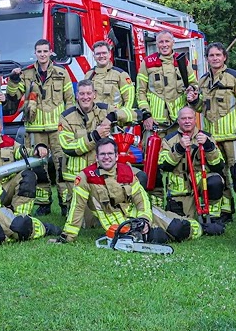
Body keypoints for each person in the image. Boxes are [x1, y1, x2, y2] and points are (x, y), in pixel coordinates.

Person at [53, 138, 194, 245]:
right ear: (96, 157)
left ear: (116, 156)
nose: (106, 157)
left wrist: (144, 219)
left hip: (141, 216)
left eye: (110, 153)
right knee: (158, 237)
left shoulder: (126, 171)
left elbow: (141, 198)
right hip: (121, 227)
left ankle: (200, 227)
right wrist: (67, 236)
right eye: (102, 154)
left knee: (180, 228)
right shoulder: (85, 177)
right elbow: (77, 208)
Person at [6, 38, 74, 214]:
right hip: (35, 129)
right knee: (38, 168)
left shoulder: (61, 72)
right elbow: (13, 95)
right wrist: (13, 80)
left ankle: (65, 204)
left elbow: (70, 101)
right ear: (35, 53)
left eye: (45, 51)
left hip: (58, 129)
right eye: (39, 51)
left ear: (50, 52)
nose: (42, 54)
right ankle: (44, 204)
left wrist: (68, 125)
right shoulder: (27, 74)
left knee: (62, 167)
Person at [194, 42, 236, 228]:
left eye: (218, 55)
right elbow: (200, 109)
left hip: (233, 137)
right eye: (211, 55)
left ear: (224, 57)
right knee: (220, 176)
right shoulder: (203, 81)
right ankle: (226, 211)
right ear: (207, 59)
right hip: (212, 139)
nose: (214, 58)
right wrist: (193, 100)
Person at [56, 82, 138, 219]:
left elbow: (136, 114)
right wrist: (95, 136)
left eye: (89, 93)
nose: (85, 97)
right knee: (87, 224)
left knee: (114, 211)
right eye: (82, 93)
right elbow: (68, 147)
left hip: (103, 175)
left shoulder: (105, 110)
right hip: (77, 178)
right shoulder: (66, 117)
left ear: (95, 95)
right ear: (77, 96)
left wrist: (112, 117)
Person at [156, 106, 225, 236]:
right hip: (180, 191)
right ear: (178, 121)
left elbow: (218, 165)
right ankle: (200, 223)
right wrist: (179, 148)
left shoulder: (207, 137)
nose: (187, 121)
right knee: (182, 222)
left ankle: (213, 218)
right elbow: (163, 165)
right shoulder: (169, 140)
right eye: (183, 118)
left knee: (216, 181)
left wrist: (209, 147)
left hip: (201, 185)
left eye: (190, 118)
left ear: (195, 120)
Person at [0, 113, 49, 216]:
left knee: (29, 176)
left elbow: (25, 152)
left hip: (7, 188)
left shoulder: (9, 142)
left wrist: (39, 149)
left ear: (1, 127)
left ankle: (20, 216)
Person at [137, 30, 197, 139]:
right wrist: (146, 115)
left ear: (173, 42)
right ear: (156, 44)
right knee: (152, 154)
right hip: (155, 123)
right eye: (161, 42)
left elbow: (194, 84)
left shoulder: (183, 61)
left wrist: (192, 91)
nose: (164, 45)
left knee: (179, 154)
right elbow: (141, 92)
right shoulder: (147, 62)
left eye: (167, 41)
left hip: (178, 122)